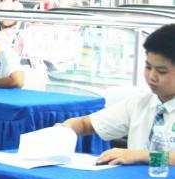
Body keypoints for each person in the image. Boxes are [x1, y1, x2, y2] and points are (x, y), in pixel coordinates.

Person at [56, 24, 175, 166]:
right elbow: (86, 124)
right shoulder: (140, 103)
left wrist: (143, 156)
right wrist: (62, 130)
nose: (151, 76)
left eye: (161, 71)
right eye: (148, 67)